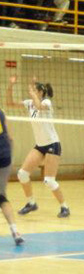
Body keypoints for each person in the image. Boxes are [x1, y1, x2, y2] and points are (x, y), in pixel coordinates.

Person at [5, 75, 70, 218]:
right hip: (40, 146)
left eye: (35, 90)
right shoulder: (29, 104)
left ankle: (64, 207)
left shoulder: (46, 102)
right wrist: (10, 85)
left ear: (41, 92)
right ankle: (31, 203)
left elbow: (39, 107)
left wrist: (33, 92)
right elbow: (9, 103)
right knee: (22, 174)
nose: (31, 92)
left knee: (49, 180)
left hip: (52, 144)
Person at [0, 103, 24, 245]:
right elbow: (10, 138)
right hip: (5, 157)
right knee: (1, 196)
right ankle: (15, 231)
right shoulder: (2, 111)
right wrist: (11, 159)